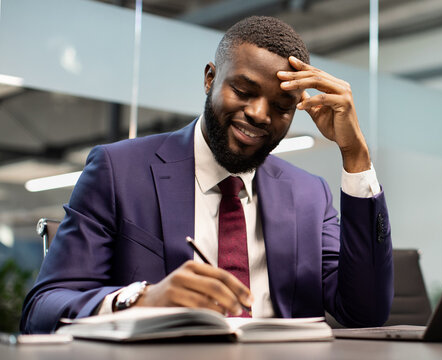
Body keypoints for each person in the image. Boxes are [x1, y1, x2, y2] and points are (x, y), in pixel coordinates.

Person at [21, 16, 393, 334]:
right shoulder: (118, 171)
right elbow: (42, 309)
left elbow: (364, 313)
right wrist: (142, 299)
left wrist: (356, 155)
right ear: (210, 79)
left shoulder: (309, 194)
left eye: (282, 106)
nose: (260, 114)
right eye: (244, 91)